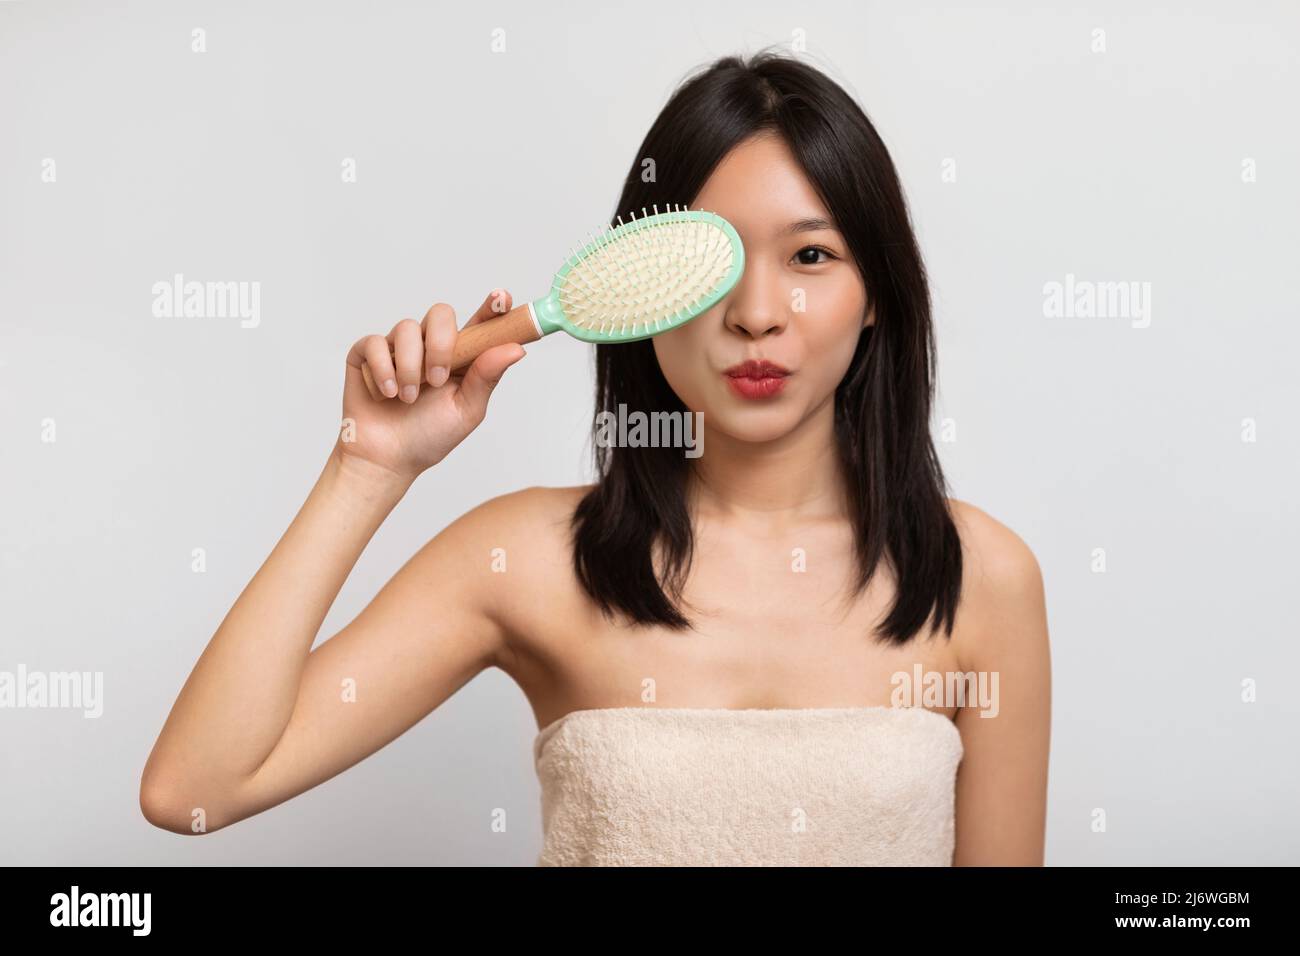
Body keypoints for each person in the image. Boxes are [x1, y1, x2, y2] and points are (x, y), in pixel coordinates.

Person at [140, 48, 1050, 866]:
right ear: (640, 294)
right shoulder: (526, 559)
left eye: (811, 254)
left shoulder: (982, 578)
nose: (758, 313)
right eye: (717, 262)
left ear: (878, 293)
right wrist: (368, 468)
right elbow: (192, 793)